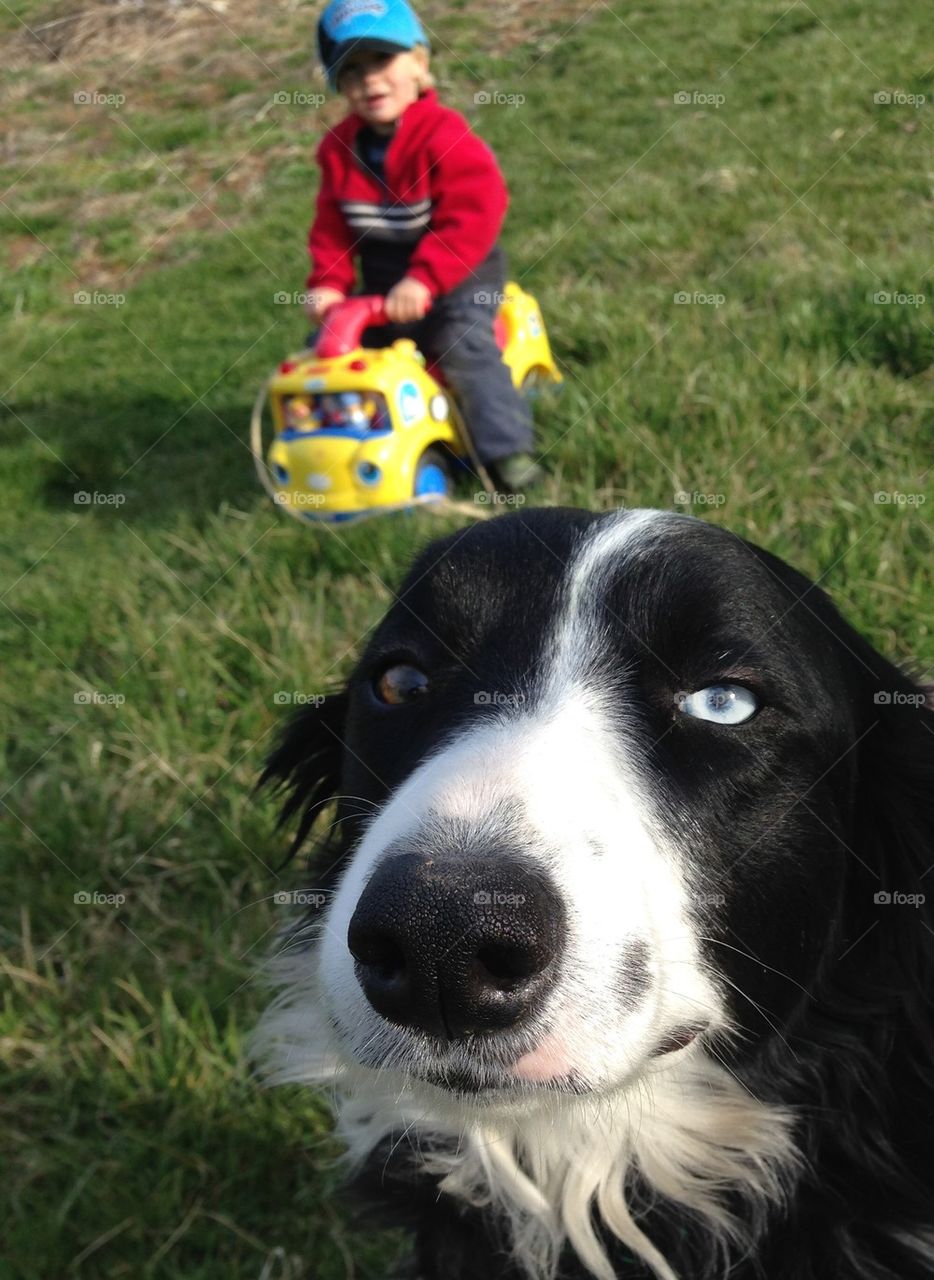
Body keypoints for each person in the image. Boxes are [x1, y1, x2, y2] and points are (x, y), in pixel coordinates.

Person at [304, 0, 543, 493]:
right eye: (351, 70)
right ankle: (343, 449)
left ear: (419, 62)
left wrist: (428, 277)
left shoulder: (444, 135)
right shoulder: (337, 150)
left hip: (459, 276)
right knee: (327, 354)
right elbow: (331, 226)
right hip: (385, 286)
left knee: (463, 347)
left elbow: (477, 211)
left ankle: (506, 452)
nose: (369, 81)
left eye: (382, 61)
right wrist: (328, 285)